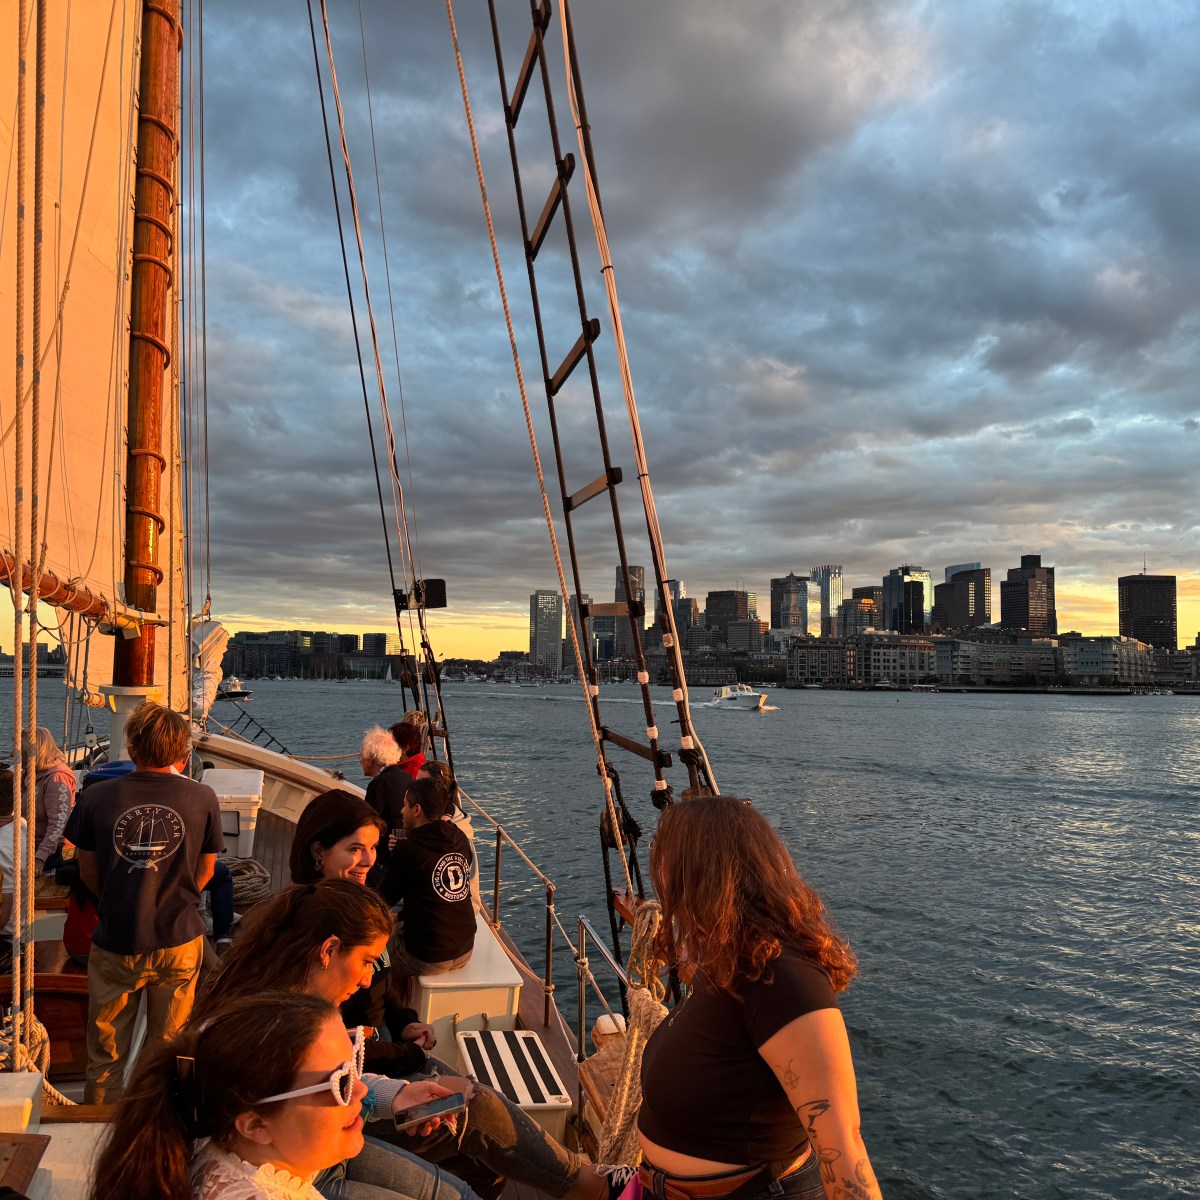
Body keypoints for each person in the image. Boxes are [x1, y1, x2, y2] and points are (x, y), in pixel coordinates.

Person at [203, 872, 610, 1200]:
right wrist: (399, 1078)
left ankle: (580, 1181)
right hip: (304, 1165)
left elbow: (346, 1085)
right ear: (328, 949)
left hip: (331, 1141)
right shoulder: (261, 1023)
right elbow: (325, 1095)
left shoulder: (311, 1002)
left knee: (469, 1112)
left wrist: (397, 1095)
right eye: (365, 962)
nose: (367, 979)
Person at [637, 796, 881, 1200]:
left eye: (660, 852)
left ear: (695, 867)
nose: (655, 866)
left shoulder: (783, 979)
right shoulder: (728, 963)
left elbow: (844, 1148)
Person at [87, 990, 432, 1200]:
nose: (360, 1088)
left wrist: (396, 1095)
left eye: (354, 1063)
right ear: (254, 1124)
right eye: (341, 1082)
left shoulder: (238, 1150)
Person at [64, 700, 225, 1104]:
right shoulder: (203, 797)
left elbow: (87, 873)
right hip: (179, 941)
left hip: (116, 940)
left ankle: (99, 1136)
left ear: (131, 749)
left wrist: (119, 898)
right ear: (182, 754)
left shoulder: (97, 798)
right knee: (167, 1054)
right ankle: (154, 1134)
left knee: (105, 1055)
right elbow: (206, 873)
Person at [380, 775, 474, 978]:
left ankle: (385, 1001)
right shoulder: (459, 837)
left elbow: (381, 900)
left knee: (370, 951)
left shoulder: (409, 849)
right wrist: (402, 916)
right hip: (465, 949)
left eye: (405, 805)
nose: (401, 811)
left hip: (427, 957)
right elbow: (437, 894)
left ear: (417, 810)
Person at [361, 727, 411, 876]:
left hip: (385, 858)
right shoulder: (406, 777)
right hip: (403, 851)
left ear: (372, 758)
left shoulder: (379, 784)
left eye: (362, 756)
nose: (360, 761)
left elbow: (368, 821)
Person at [33, 726, 75, 872]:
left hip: (45, 854)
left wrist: (40, 858)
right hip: (25, 848)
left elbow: (59, 824)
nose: (13, 755)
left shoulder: (57, 778)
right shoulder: (29, 773)